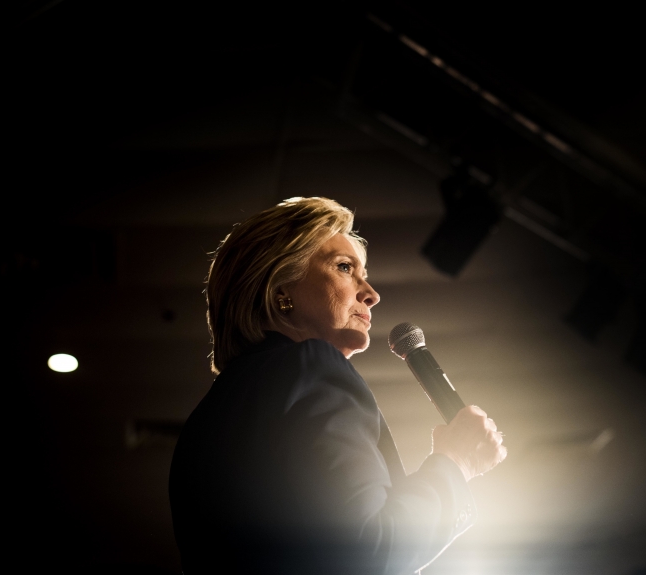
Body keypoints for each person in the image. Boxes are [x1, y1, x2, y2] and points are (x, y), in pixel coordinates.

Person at [169, 197, 506, 574]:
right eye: (345, 268)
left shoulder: (206, 419)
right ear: (282, 291)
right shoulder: (311, 367)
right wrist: (455, 463)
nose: (371, 293)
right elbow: (368, 549)